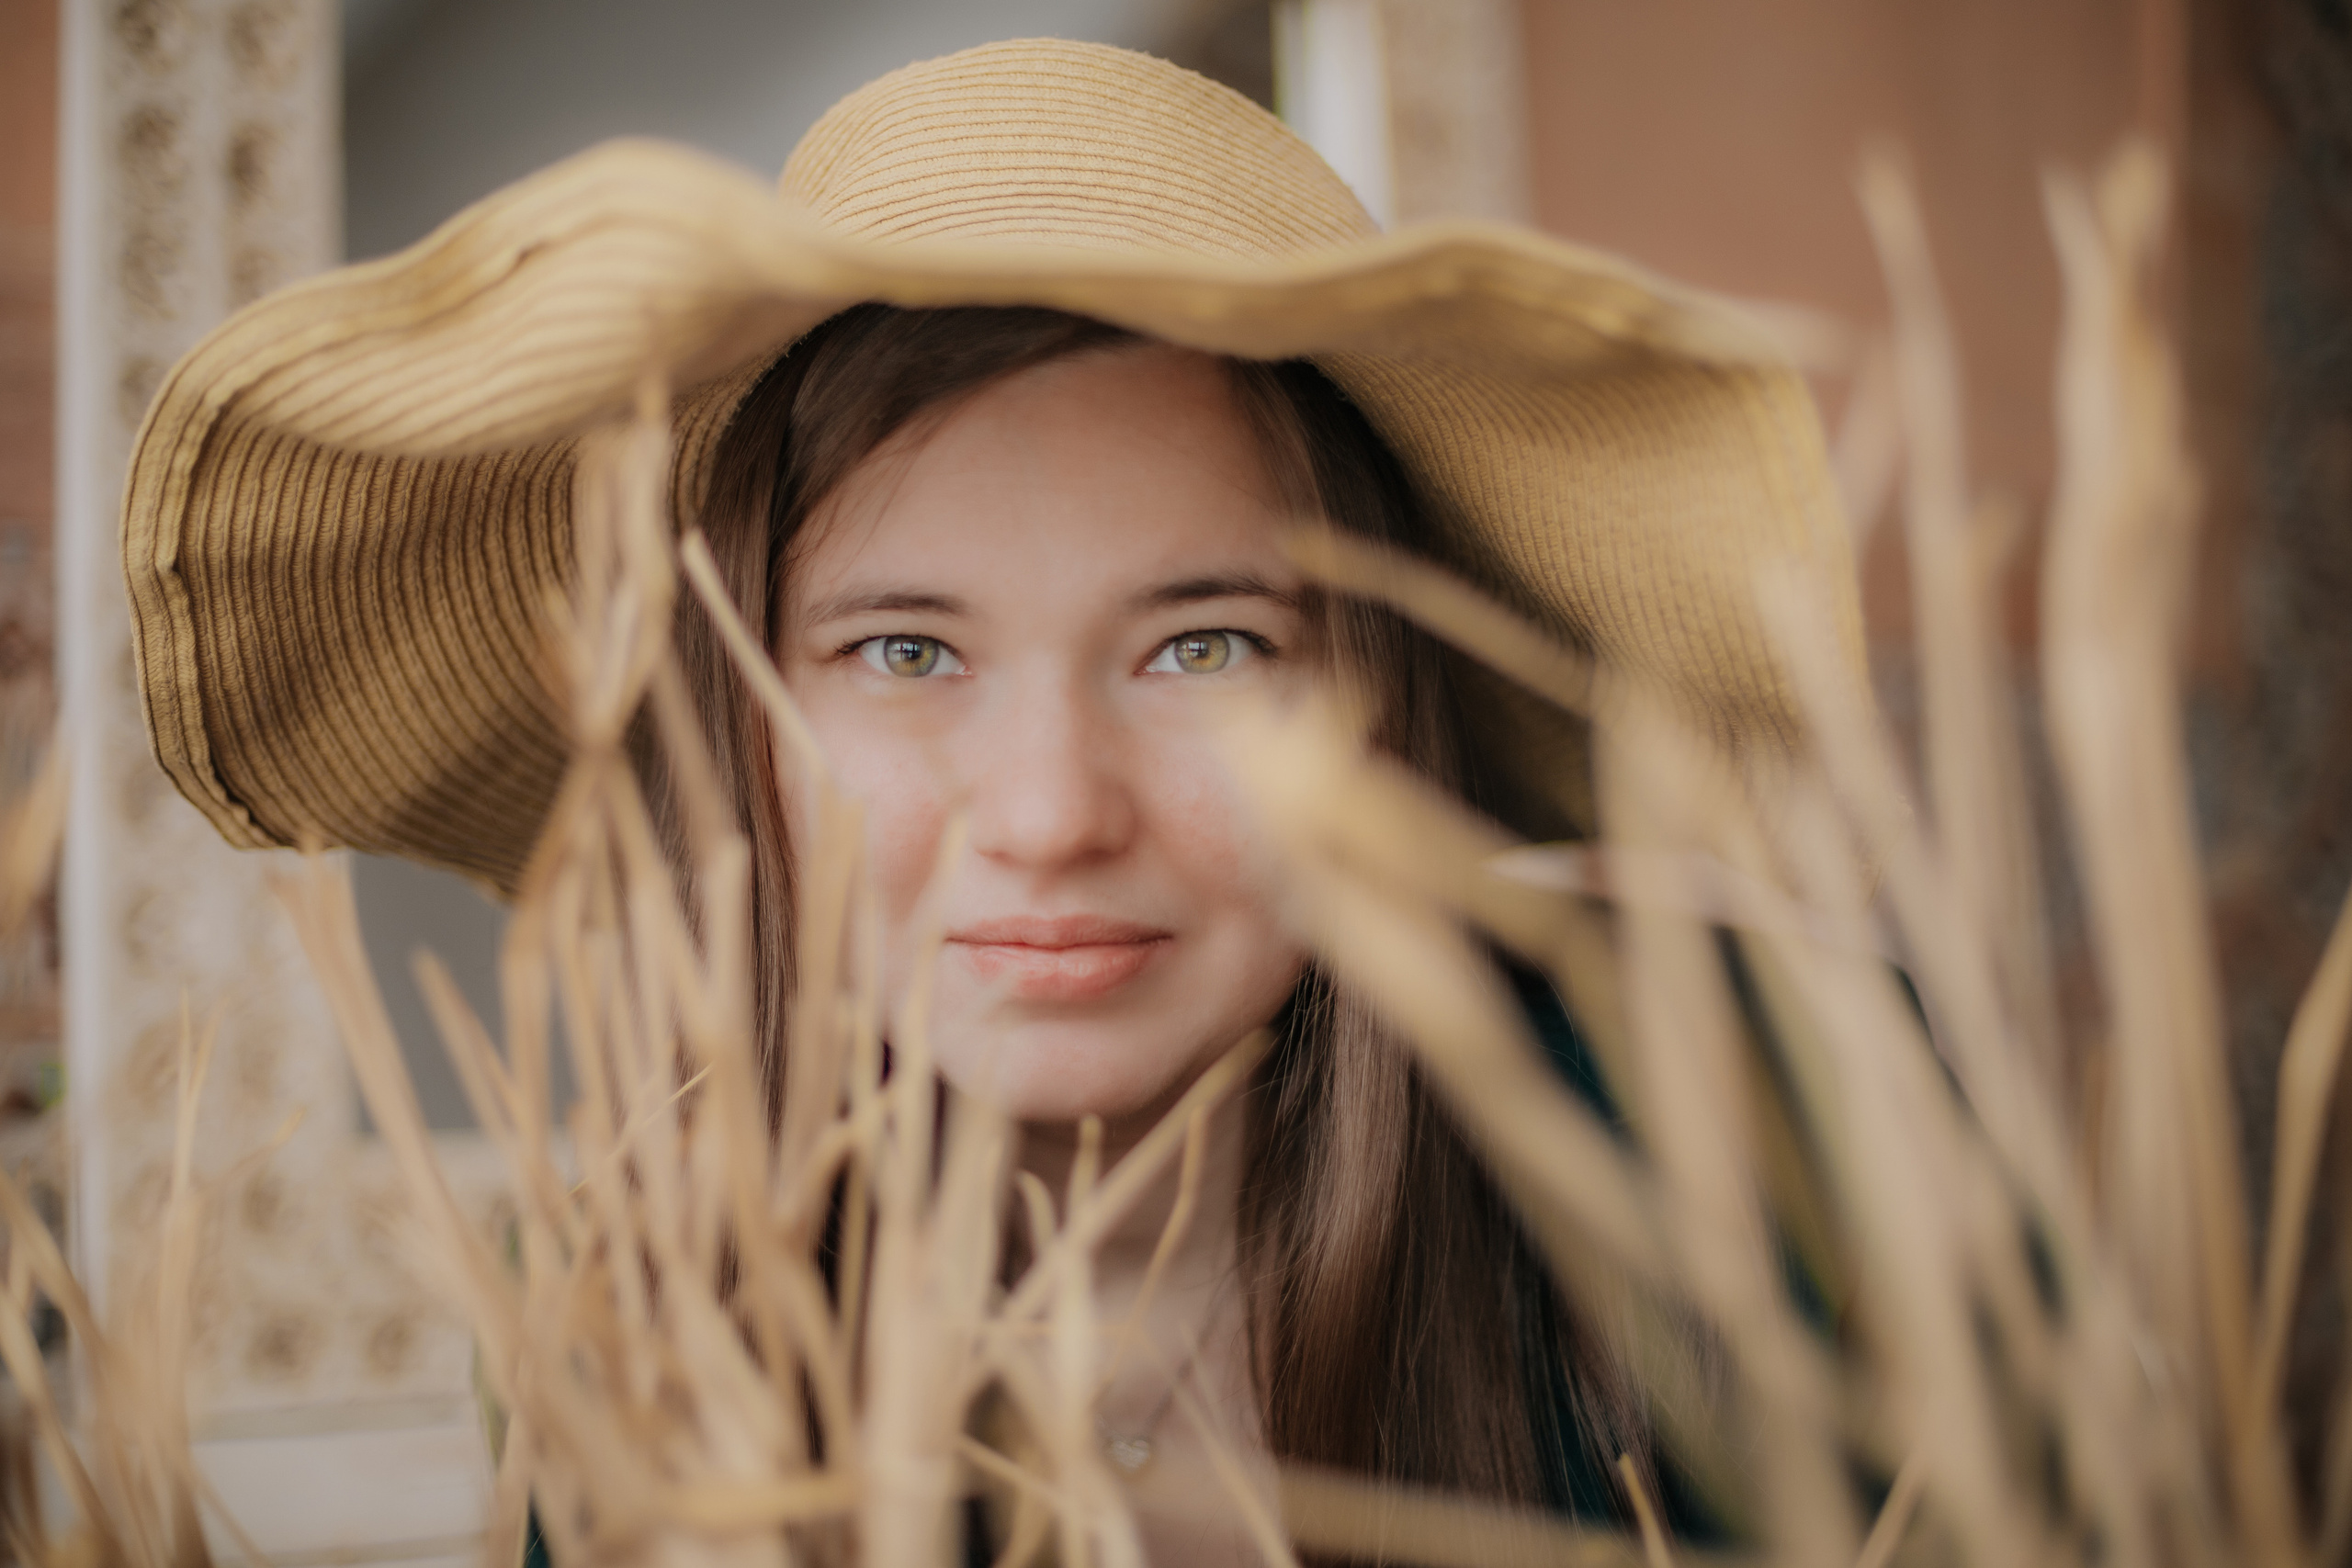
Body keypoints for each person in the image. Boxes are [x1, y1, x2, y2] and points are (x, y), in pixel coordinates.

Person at [119, 38, 1863, 1564]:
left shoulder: (1718, 1123)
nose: (1047, 817)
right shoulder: (646, 1324)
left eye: (1203, 647)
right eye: (903, 652)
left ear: (1379, 705)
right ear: (743, 728)